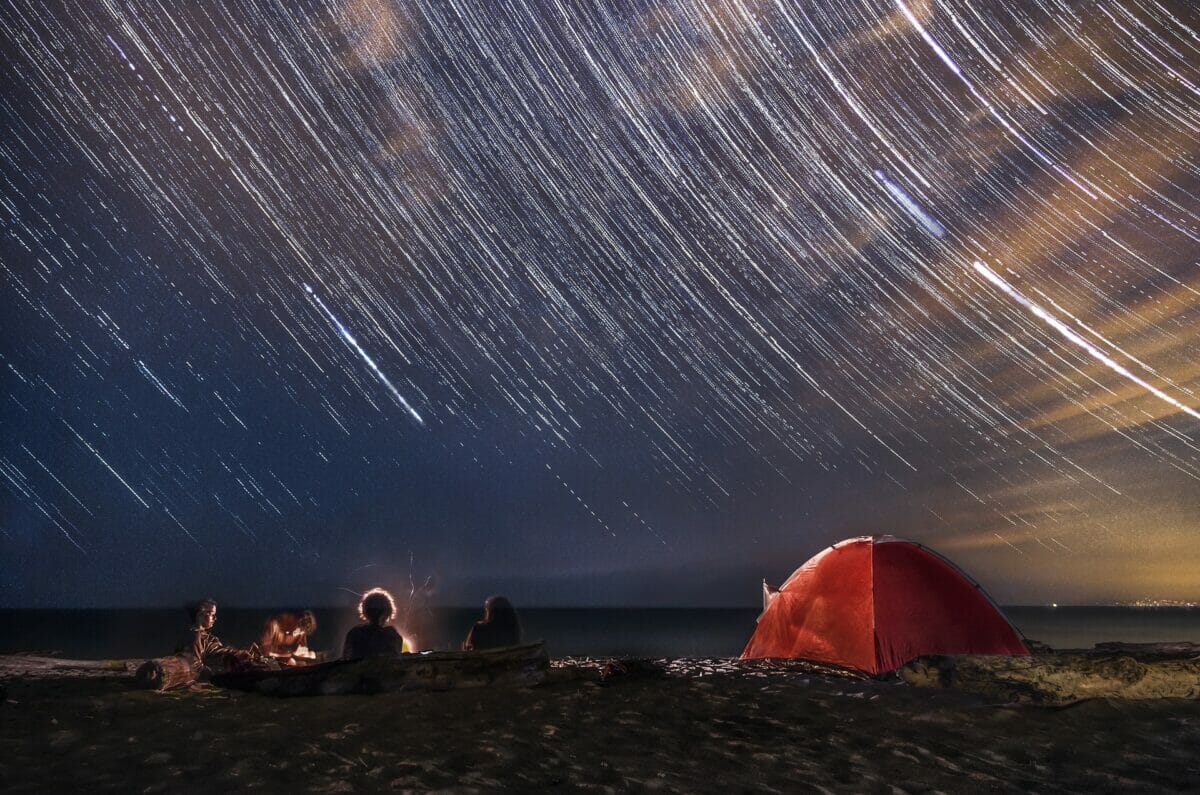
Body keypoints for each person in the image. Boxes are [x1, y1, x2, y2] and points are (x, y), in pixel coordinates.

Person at [176, 598, 248, 676]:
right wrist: (218, 673)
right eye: (212, 614)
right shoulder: (194, 637)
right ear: (200, 615)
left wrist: (237, 653)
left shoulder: (204, 636)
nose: (215, 618)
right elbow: (194, 666)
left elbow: (215, 649)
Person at [342, 588, 404, 660]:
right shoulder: (393, 635)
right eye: (372, 610)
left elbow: (346, 658)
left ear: (365, 612)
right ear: (388, 612)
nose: (376, 614)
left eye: (379, 611)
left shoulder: (355, 633)